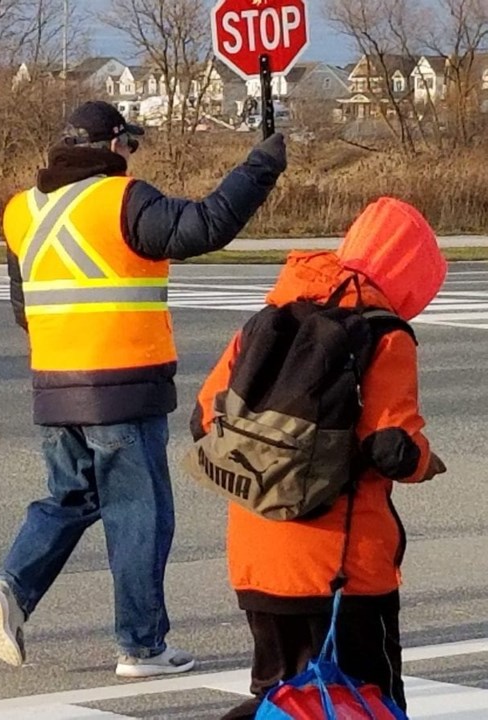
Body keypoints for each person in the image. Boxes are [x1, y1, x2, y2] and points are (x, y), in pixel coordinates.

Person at [0, 100, 287, 677]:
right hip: (121, 384)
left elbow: (24, 309)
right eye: (130, 144)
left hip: (53, 384)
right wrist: (258, 169)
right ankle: (141, 647)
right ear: (114, 145)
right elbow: (206, 225)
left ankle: (13, 587)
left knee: (70, 498)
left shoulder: (21, 212)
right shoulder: (123, 199)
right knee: (139, 514)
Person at [190, 197, 447, 719]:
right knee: (363, 703)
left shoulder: (270, 318)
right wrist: (426, 459)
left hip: (257, 557)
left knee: (281, 701)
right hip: (342, 571)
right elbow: (391, 447)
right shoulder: (382, 334)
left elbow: (202, 418)